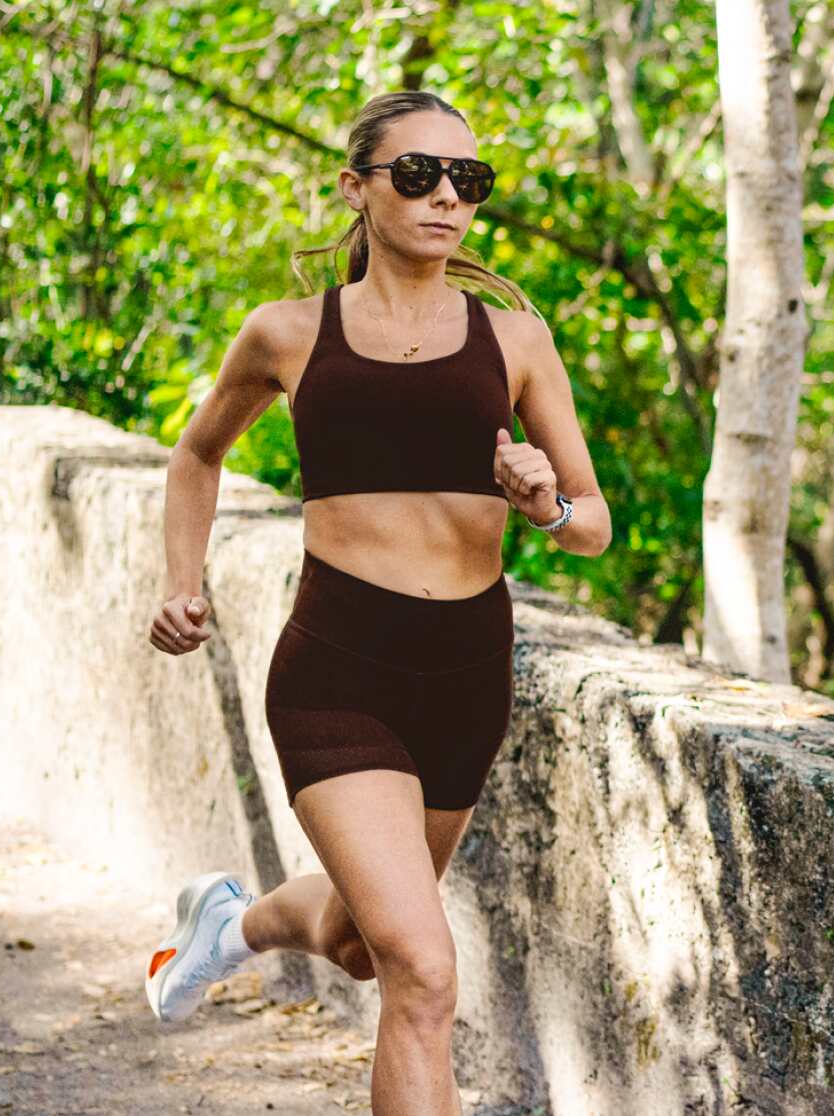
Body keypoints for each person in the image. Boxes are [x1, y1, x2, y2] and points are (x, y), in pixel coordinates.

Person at [142, 90, 609, 1116]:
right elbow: (196, 455)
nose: (447, 196)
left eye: (466, 181)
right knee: (425, 970)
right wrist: (182, 586)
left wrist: (544, 501)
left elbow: (590, 522)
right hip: (337, 672)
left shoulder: (516, 340)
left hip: (465, 678)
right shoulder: (286, 333)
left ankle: (229, 926)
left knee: (364, 944)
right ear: (357, 187)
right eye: (419, 174)